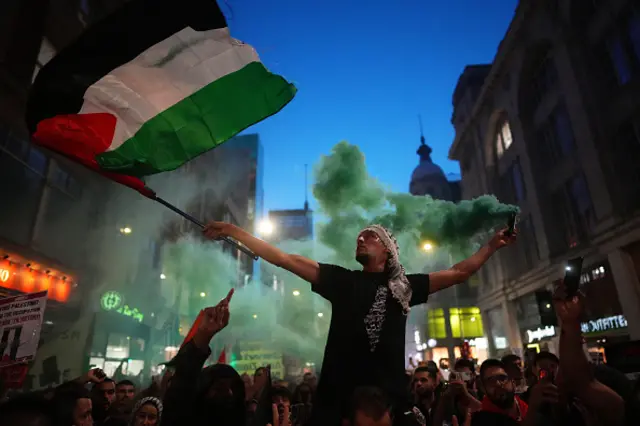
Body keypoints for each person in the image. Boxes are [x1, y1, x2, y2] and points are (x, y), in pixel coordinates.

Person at [204, 221, 517, 425]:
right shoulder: (341, 280)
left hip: (389, 410)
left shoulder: (404, 286)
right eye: (359, 236)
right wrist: (234, 230)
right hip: (336, 409)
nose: (361, 238)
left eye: (371, 236)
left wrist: (492, 245)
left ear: (387, 250)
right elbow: (284, 259)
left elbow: (460, 272)